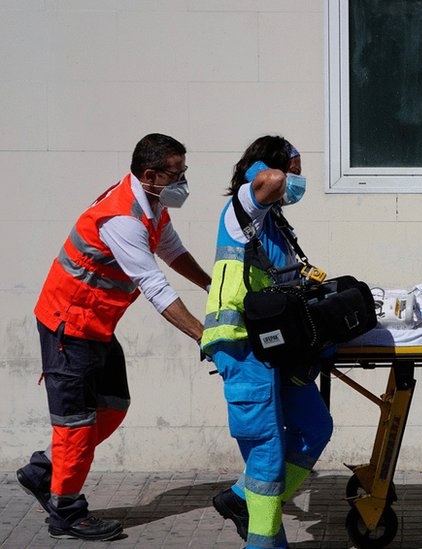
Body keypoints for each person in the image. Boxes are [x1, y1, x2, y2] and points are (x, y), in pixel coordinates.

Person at [16, 134, 211, 541]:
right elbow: (154, 286)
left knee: (113, 407)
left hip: (97, 325)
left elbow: (173, 253)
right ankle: (66, 513)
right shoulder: (122, 219)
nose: (183, 182)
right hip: (68, 326)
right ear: (150, 174)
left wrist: (214, 286)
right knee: (76, 424)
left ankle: (44, 471)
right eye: (177, 174)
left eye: (184, 172)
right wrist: (202, 335)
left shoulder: (151, 205)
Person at [201, 136, 333, 549]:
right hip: (241, 344)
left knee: (315, 427)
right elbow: (269, 179)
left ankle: (242, 500)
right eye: (296, 169)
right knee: (267, 453)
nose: (297, 179)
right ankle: (263, 542)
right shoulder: (247, 206)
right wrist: (270, 167)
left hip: (277, 345)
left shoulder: (274, 221)